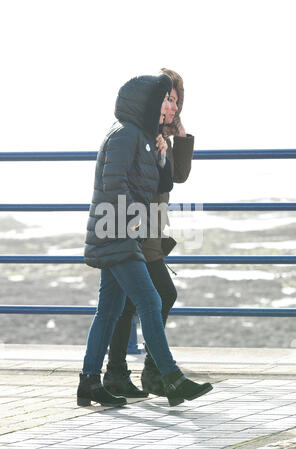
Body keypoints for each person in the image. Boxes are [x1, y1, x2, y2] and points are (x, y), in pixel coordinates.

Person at [77, 73, 213, 408]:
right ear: (147, 103)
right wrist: (133, 227)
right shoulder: (125, 135)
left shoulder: (141, 136)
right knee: (151, 301)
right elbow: (116, 186)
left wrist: (163, 154)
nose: (168, 106)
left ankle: (90, 383)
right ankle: (170, 377)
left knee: (108, 310)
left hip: (120, 232)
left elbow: (158, 182)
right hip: (118, 233)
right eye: (162, 100)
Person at [102, 69, 197, 399]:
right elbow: (152, 181)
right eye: (167, 99)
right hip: (137, 231)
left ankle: (118, 374)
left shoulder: (159, 136)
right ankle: (152, 373)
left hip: (150, 231)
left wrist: (179, 136)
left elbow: (178, 175)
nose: (172, 106)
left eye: (175, 100)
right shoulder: (140, 135)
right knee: (160, 296)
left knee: (126, 305)